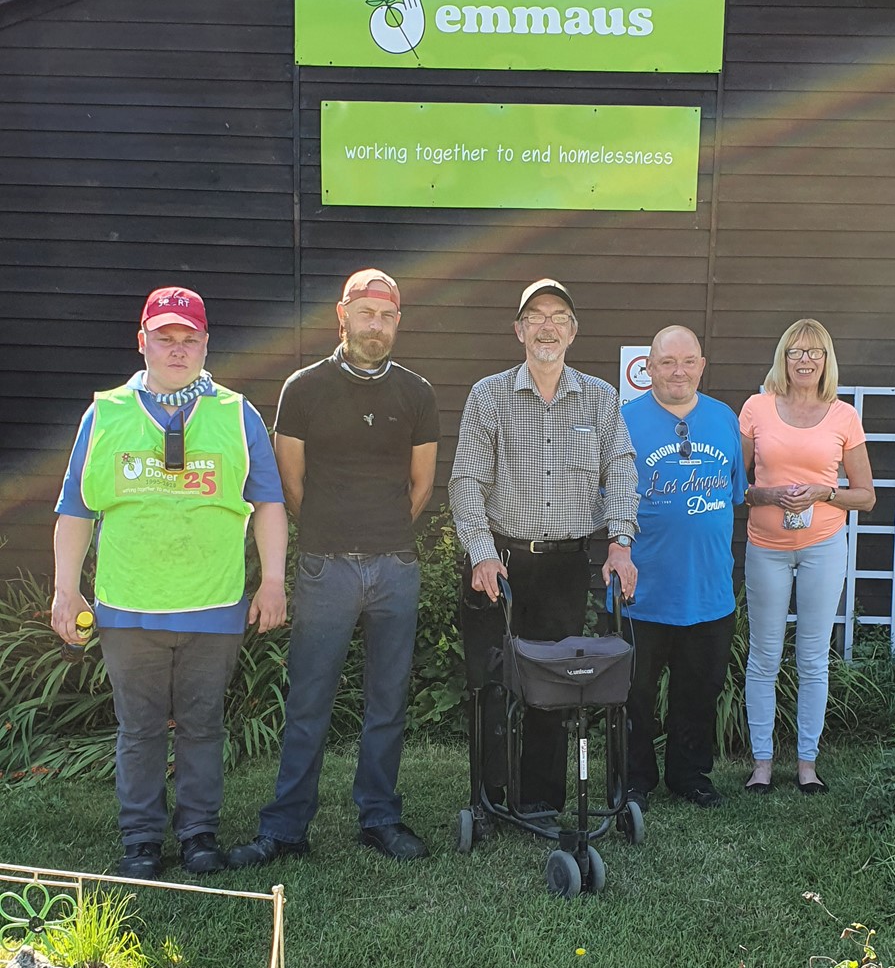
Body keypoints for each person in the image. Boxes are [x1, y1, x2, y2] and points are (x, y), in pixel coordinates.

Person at [51, 286, 288, 879]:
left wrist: (274, 581)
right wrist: (65, 588)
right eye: (165, 338)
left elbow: (269, 504)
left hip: (213, 605)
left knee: (204, 725)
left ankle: (199, 834)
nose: (177, 350)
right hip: (128, 607)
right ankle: (141, 841)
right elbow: (76, 509)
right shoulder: (104, 412)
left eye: (189, 340)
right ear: (143, 341)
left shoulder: (237, 414)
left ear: (206, 344)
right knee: (139, 728)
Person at [228, 268, 439, 866]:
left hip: (396, 566)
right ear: (342, 315)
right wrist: (332, 531)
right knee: (309, 699)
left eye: (387, 316)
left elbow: (421, 486)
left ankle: (379, 817)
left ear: (398, 322)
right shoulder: (303, 388)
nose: (376, 326)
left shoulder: (417, 393)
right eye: (366, 313)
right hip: (324, 567)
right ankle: (286, 828)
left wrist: (380, 532)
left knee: (387, 701)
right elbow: (289, 482)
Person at [449, 278, 638, 822]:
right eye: (535, 316)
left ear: (573, 332)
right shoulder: (487, 396)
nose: (547, 325)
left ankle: (539, 801)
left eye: (558, 316)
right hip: (499, 562)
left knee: (558, 684)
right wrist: (481, 552)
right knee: (490, 681)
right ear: (519, 330)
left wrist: (620, 544)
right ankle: (487, 799)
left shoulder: (600, 398)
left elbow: (622, 472)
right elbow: (466, 482)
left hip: (565, 564)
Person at [740, 319, 875, 794]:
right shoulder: (756, 408)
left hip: (822, 548)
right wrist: (770, 494)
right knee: (764, 657)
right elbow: (740, 488)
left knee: (814, 657)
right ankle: (761, 764)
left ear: (826, 360)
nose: (804, 360)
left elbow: (866, 496)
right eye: (795, 351)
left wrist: (825, 491)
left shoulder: (844, 416)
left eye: (814, 352)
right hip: (767, 548)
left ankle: (806, 764)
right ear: (783, 357)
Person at [621, 326, 746, 811]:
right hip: (642, 589)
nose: (678, 371)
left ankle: (689, 775)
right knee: (634, 695)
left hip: (709, 588)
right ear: (648, 367)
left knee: (699, 691)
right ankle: (633, 780)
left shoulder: (723, 419)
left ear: (702, 365)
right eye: (667, 361)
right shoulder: (624, 422)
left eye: (688, 361)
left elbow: (733, 493)